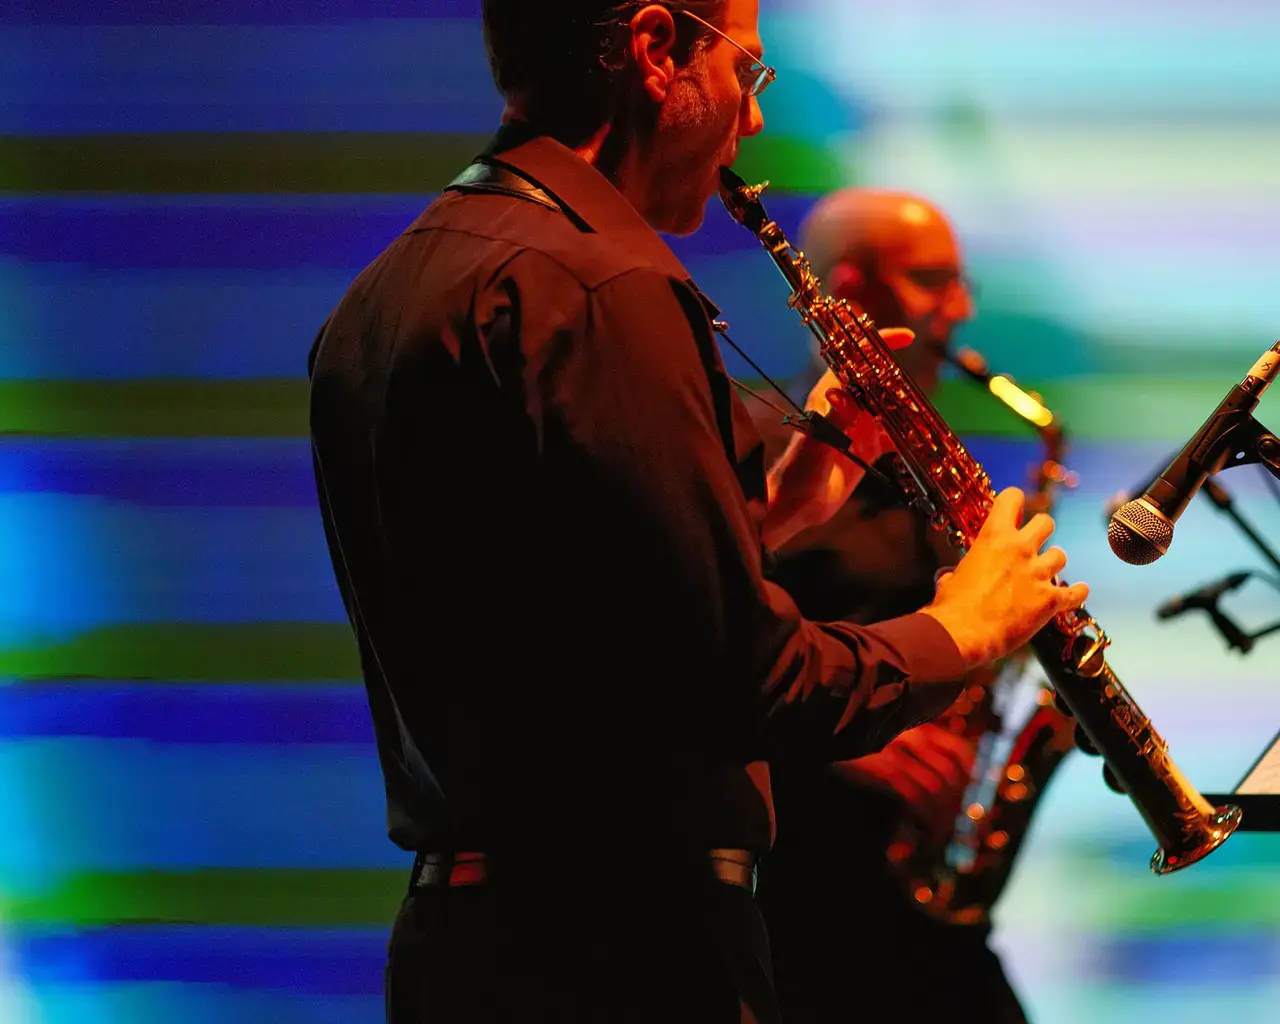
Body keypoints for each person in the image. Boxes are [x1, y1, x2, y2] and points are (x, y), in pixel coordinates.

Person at [306, 3, 1086, 1021]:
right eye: (745, 76)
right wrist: (963, 626)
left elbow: (564, 616)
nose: (750, 124)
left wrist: (773, 510)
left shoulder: (390, 287)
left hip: (469, 946)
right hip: (623, 953)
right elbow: (747, 683)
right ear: (653, 47)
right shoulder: (605, 285)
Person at [755, 187, 1035, 1023]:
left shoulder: (941, 470)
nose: (962, 307)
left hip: (923, 891)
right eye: (934, 280)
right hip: (803, 896)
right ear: (849, 288)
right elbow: (695, 655)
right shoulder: (757, 451)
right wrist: (846, 742)